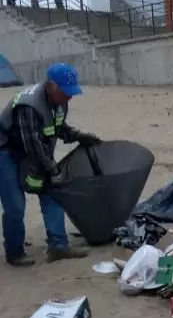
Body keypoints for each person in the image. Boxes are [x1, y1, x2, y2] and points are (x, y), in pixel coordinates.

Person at [0, 63, 101, 266]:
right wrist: (53, 169)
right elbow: (33, 145)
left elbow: (56, 126)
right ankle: (15, 252)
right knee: (15, 205)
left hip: (32, 150)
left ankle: (58, 246)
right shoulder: (29, 105)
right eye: (66, 92)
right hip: (6, 151)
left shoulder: (59, 101)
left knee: (52, 193)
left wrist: (77, 135)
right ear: (52, 86)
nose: (69, 97)